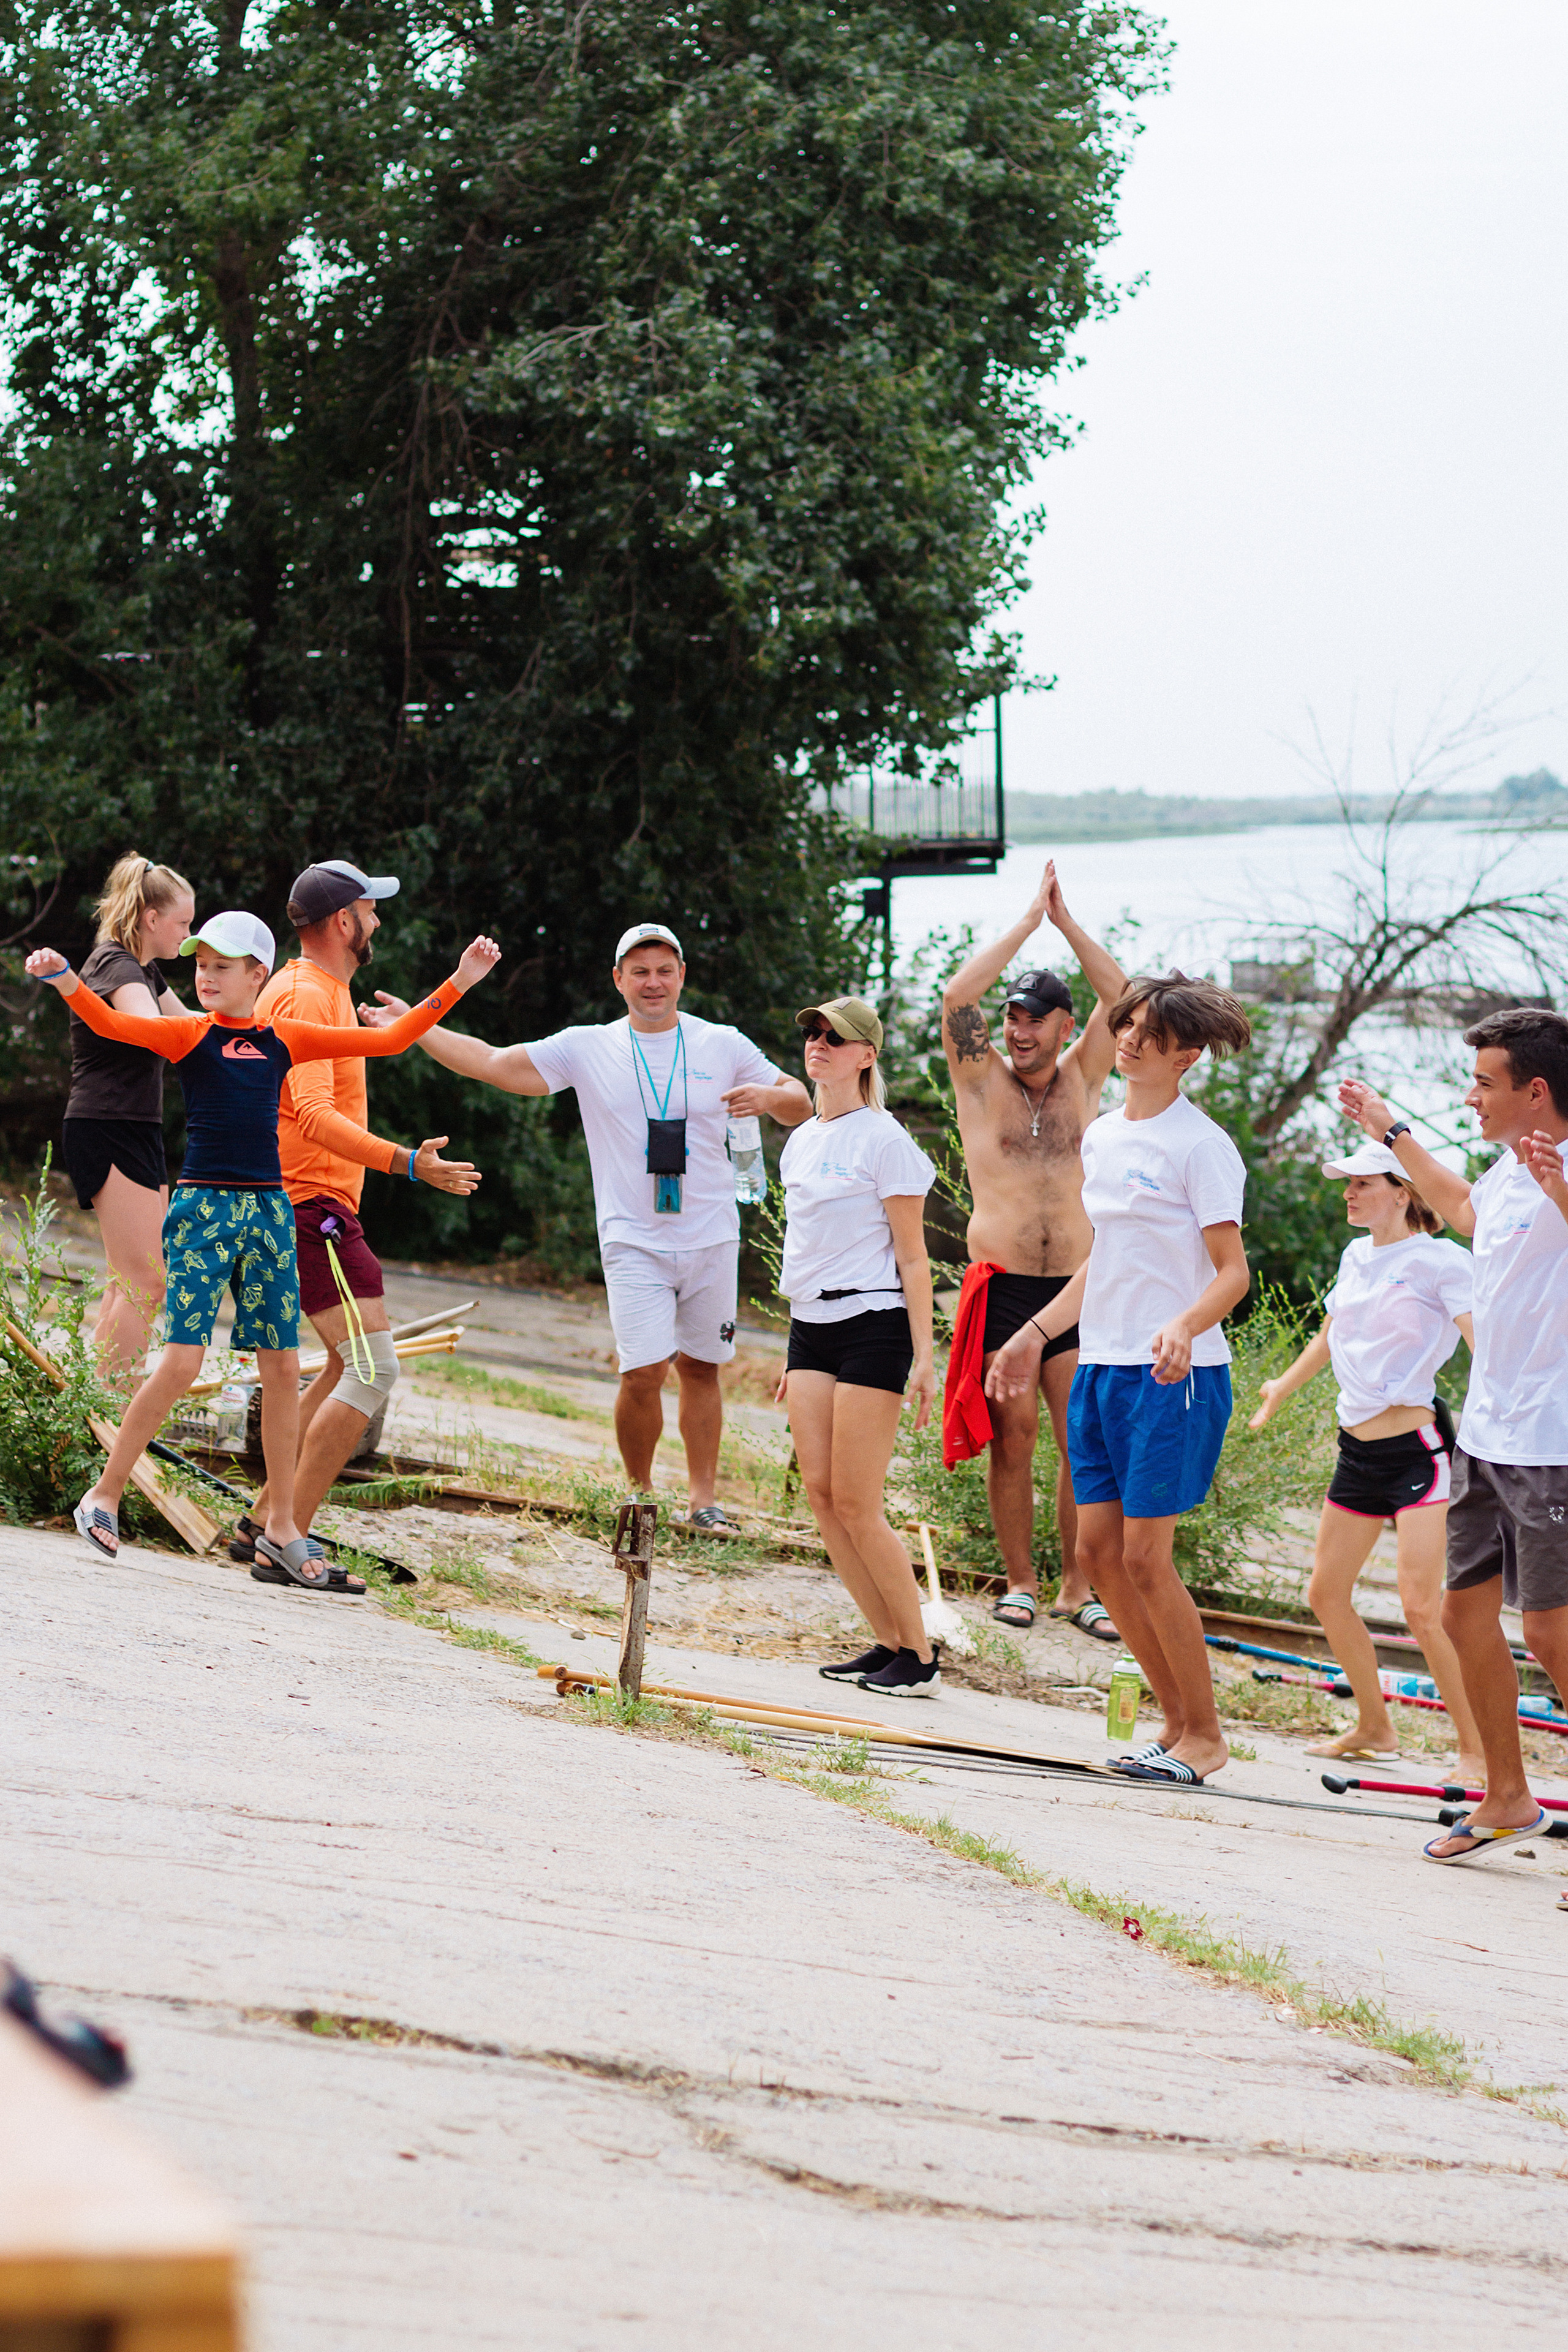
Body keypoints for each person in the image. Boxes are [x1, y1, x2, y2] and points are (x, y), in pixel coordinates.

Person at [26, 916, 499, 1587]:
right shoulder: (189, 1032)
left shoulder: (286, 1039)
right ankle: (103, 1495)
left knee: (281, 1370)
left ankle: (279, 1529)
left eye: (224, 966)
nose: (207, 976)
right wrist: (65, 981)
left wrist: (461, 981)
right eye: (200, 965)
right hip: (203, 1213)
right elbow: (110, 1025)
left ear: (259, 976)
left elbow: (391, 1038)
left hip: (270, 1215)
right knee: (183, 1361)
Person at [364, 923, 811, 1524]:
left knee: (702, 1369)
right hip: (632, 1239)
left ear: (682, 976)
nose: (653, 983)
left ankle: (705, 1501)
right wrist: (415, 1027)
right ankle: (640, 1493)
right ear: (618, 979)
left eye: (664, 970)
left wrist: (767, 1098)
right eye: (640, 971)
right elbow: (494, 1064)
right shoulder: (588, 1045)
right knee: (644, 1371)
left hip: (711, 1234)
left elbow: (800, 1100)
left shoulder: (723, 1044)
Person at [987, 973, 1253, 1784]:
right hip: (1102, 1364)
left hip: (1176, 1376)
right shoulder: (1103, 1136)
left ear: (1189, 1054)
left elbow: (1233, 1273)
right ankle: (1175, 1727)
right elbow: (1105, 1261)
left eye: (1151, 1032)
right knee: (1099, 1556)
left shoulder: (1202, 1146)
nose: (1130, 1039)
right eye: (1127, 1024)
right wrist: (1032, 1334)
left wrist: (1183, 1324)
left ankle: (1206, 1738)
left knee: (1145, 1558)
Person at [1338, 1010, 1568, 1867]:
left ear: (1534, 1091)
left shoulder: (1557, 1167)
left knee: (1550, 1635)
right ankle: (1509, 1797)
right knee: (1460, 1612)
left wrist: (1558, 1189)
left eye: (1484, 1083)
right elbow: (1465, 1209)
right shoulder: (1510, 1170)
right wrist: (1390, 1130)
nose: (1470, 1097)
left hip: (1555, 1442)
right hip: (1487, 1433)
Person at [227, 859, 484, 1584]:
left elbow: (393, 1041)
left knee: (347, 1364)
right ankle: (287, 1537)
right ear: (344, 921)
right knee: (374, 1369)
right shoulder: (309, 995)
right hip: (311, 1206)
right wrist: (409, 1164)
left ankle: (263, 1521)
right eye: (371, 911)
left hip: (302, 1204)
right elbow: (309, 1112)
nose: (377, 922)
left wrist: (458, 983)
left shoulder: (316, 990)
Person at [1248, 1142, 1483, 1777]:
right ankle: (1375, 1727)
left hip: (1419, 1455)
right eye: (1345, 1184)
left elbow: (1478, 1341)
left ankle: (1476, 1753)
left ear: (1403, 1191)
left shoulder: (1441, 1262)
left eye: (1361, 1183)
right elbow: (1331, 1333)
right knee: (1326, 1593)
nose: (1348, 1194)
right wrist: (1281, 1387)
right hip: (1356, 1451)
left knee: (1421, 1609)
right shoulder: (1356, 1255)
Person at [940, 857, 1127, 1637]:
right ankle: (1019, 1580)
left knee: (1081, 1440)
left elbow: (1124, 998)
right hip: (1008, 1285)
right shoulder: (979, 1078)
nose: (1018, 1033)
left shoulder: (1086, 1072)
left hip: (1080, 1286)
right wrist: (1025, 921)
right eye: (1012, 1019)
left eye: (1034, 1020)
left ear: (1063, 1024)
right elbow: (957, 998)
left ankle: (1075, 1590)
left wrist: (1068, 924)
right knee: (1012, 1440)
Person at [776, 997, 940, 1696]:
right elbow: (806, 1248)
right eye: (813, 1034)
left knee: (857, 1501)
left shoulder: (885, 1140)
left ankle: (923, 1657)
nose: (819, 1044)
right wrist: (788, 1356)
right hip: (809, 1325)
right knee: (819, 1495)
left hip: (873, 1324)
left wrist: (925, 1356)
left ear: (865, 1055)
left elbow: (913, 1260)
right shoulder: (800, 1138)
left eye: (835, 1038)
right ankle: (888, 1641)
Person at [59, 854, 195, 1389]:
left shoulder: (143, 968)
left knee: (129, 1280)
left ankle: (93, 1405)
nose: (188, 935)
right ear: (150, 919)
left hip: (130, 1126)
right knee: (147, 1281)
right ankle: (110, 1406)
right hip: (107, 1124)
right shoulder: (115, 966)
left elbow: (188, 1027)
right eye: (183, 923)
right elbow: (156, 1031)